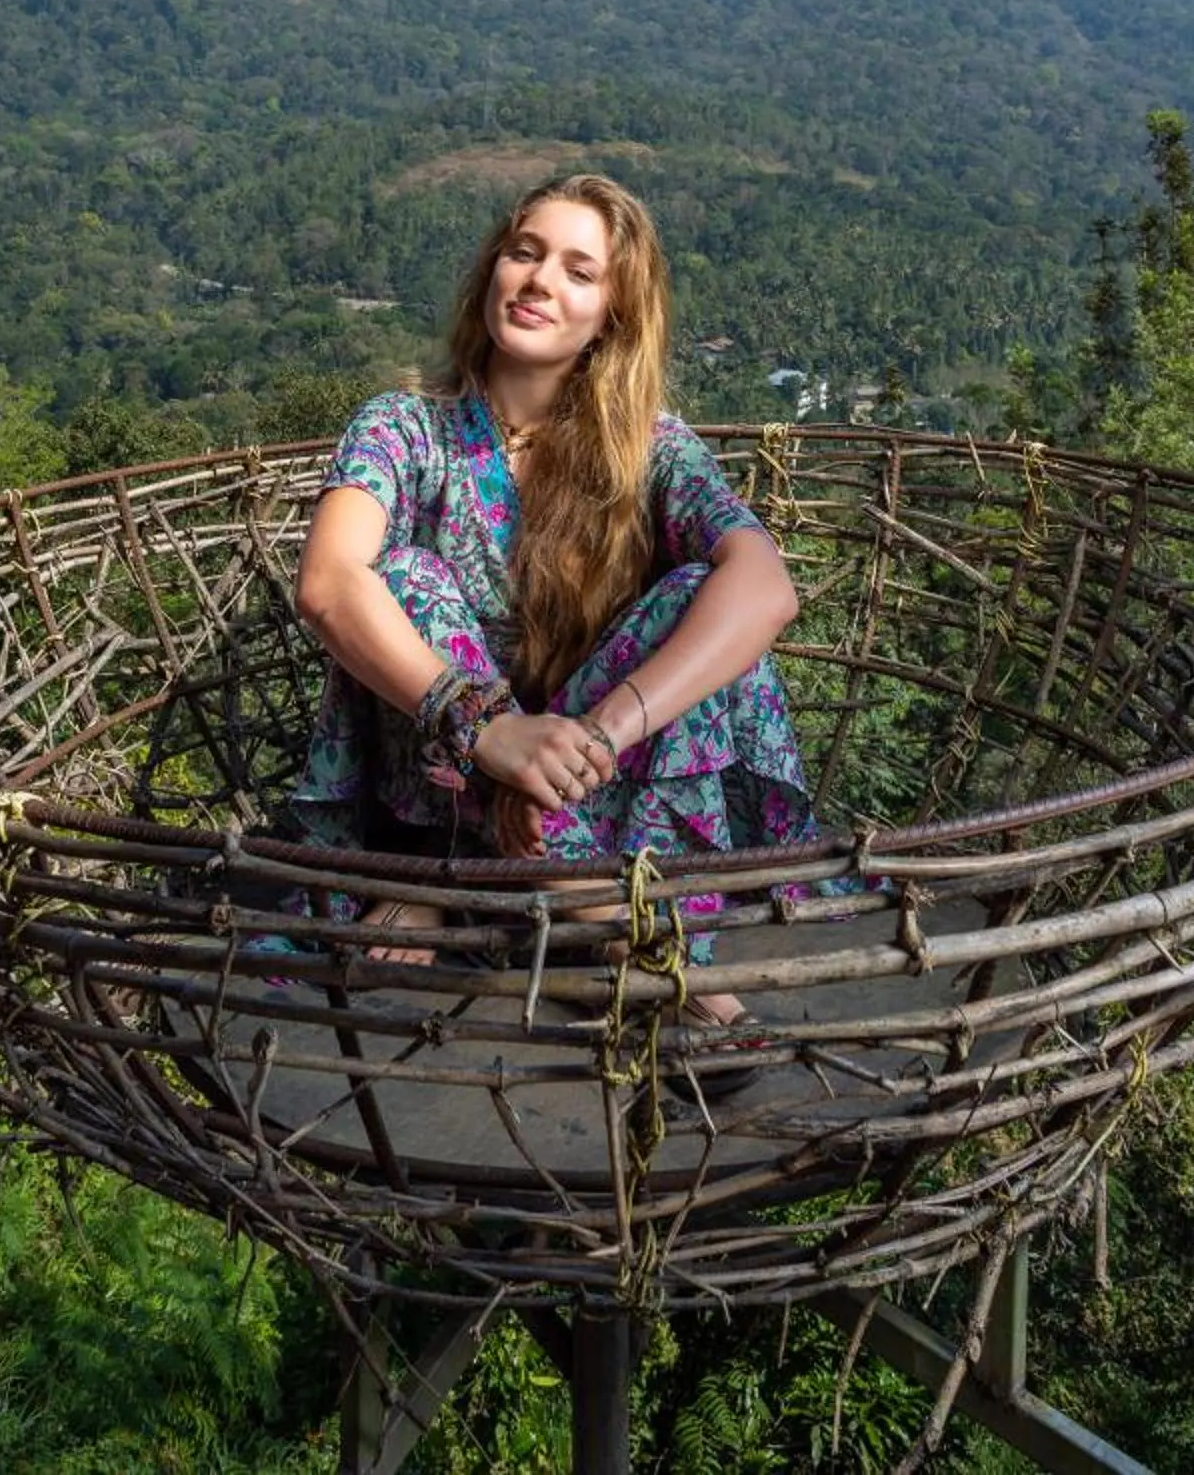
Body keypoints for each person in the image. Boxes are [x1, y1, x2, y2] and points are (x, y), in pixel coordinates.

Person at [286, 173, 820, 1030]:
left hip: (583, 780)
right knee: (404, 575)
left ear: (612, 313)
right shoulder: (403, 428)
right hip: (443, 767)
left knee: (702, 596)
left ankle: (497, 885)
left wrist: (586, 741)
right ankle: (620, 930)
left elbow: (766, 586)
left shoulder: (649, 448)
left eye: (579, 270)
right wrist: (492, 732)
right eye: (524, 253)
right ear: (493, 270)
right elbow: (328, 580)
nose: (538, 281)